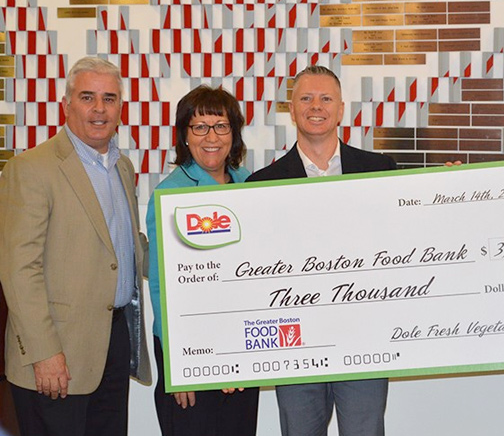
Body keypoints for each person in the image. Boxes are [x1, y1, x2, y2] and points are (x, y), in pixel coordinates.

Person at [0, 57, 151, 436]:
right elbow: (19, 270)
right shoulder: (31, 168)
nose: (99, 109)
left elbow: (124, 247)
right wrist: (44, 352)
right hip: (56, 356)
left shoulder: (122, 167)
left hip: (112, 346)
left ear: (120, 107)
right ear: (67, 104)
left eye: (109, 98)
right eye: (88, 97)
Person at [247, 65, 396, 436]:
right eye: (306, 98)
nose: (316, 106)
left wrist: (451, 183)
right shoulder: (260, 185)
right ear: (292, 109)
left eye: (326, 98)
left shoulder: (380, 170)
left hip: (364, 340)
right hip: (294, 342)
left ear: (341, 109)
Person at [145, 85, 259, 436]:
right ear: (185, 135)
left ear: (234, 134)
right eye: (199, 127)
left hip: (242, 342)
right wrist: (180, 366)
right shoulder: (171, 193)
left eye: (221, 126)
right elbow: (162, 287)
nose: (211, 137)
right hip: (190, 347)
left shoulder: (252, 185)